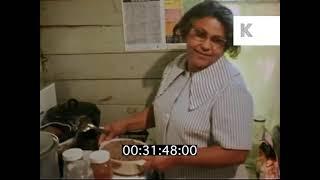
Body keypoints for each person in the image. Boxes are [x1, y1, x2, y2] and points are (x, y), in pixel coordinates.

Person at [99, 0, 253, 179]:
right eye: (200, 34)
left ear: (225, 46)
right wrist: (124, 124)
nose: (206, 45)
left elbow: (236, 153)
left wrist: (174, 157)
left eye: (217, 40)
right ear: (186, 32)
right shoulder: (176, 65)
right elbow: (164, 111)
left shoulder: (232, 88)